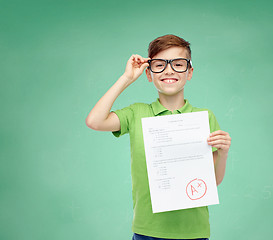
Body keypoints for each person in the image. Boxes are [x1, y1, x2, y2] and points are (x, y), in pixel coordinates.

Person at [86, 34, 231, 240]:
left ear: (189, 72)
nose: (169, 70)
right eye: (160, 65)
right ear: (148, 73)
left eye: (178, 64)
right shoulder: (136, 113)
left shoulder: (204, 118)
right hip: (148, 231)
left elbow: (213, 180)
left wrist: (223, 153)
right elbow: (95, 121)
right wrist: (126, 78)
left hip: (193, 231)